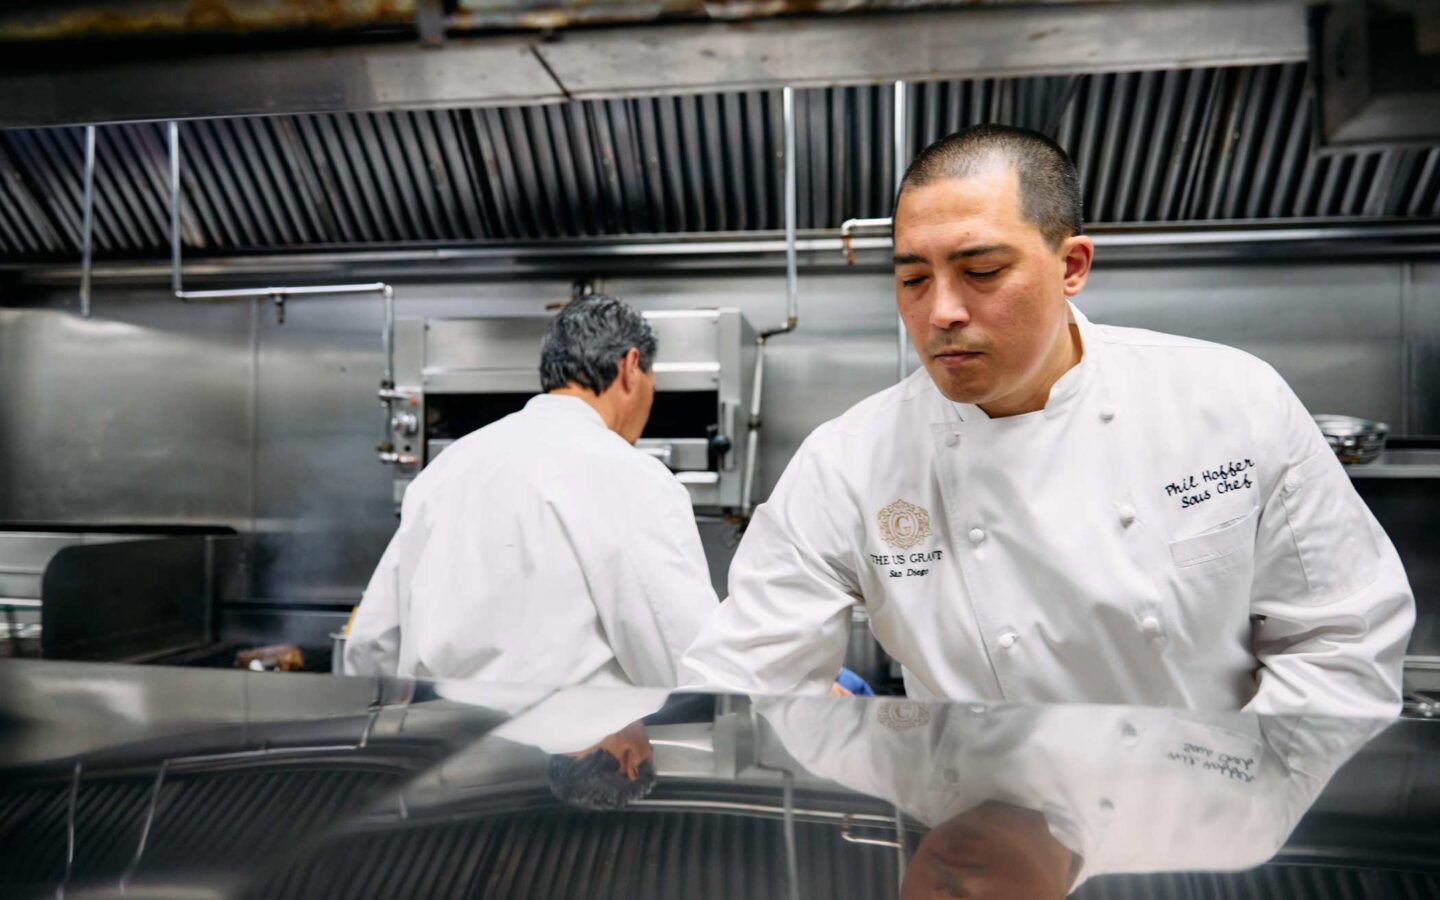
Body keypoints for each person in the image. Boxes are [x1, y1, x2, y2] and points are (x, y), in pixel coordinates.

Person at [683, 124, 1414, 717]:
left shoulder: (1230, 402)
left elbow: (1341, 642)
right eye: (912, 279)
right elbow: (740, 677)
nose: (940, 312)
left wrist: (1231, 807)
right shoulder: (848, 461)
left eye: (981, 271)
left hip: (1197, 825)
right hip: (969, 831)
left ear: (1072, 267)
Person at [346, 294, 719, 686]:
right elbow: (686, 659)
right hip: (570, 726)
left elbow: (371, 644)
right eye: (653, 385)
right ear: (630, 367)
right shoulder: (632, 477)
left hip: (438, 724)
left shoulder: (445, 470)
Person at [752, 694, 1383, 898]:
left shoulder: (858, 754)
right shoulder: (1236, 827)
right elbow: (1346, 678)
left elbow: (761, 662)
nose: (943, 887)